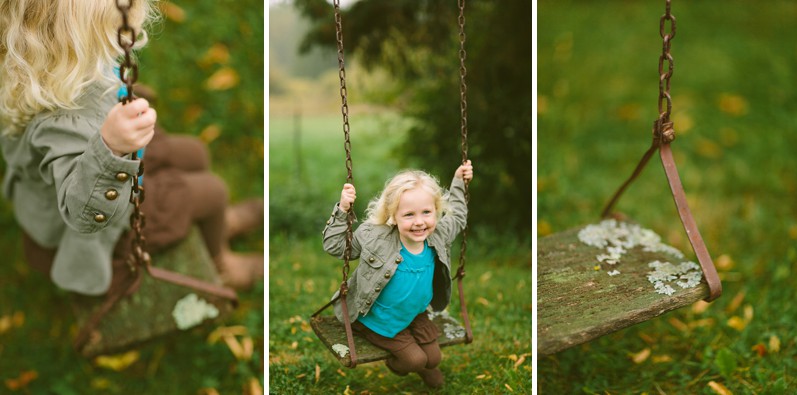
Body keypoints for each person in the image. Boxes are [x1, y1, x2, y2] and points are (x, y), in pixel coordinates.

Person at [0, 0, 262, 296]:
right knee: (213, 192)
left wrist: (114, 93)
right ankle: (222, 262)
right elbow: (82, 213)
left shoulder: (44, 64)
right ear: (71, 43)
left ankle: (216, 223)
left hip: (107, 143)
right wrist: (112, 147)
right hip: (102, 198)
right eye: (110, 35)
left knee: (195, 153)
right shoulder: (60, 126)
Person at [322, 160, 473, 389]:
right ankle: (397, 360)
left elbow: (459, 216)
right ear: (393, 215)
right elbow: (334, 245)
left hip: (413, 312)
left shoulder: (438, 235)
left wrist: (459, 182)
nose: (419, 222)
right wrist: (343, 209)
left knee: (433, 358)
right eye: (409, 215)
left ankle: (422, 365)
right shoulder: (375, 237)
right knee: (415, 360)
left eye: (426, 212)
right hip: (377, 318)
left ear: (436, 211)